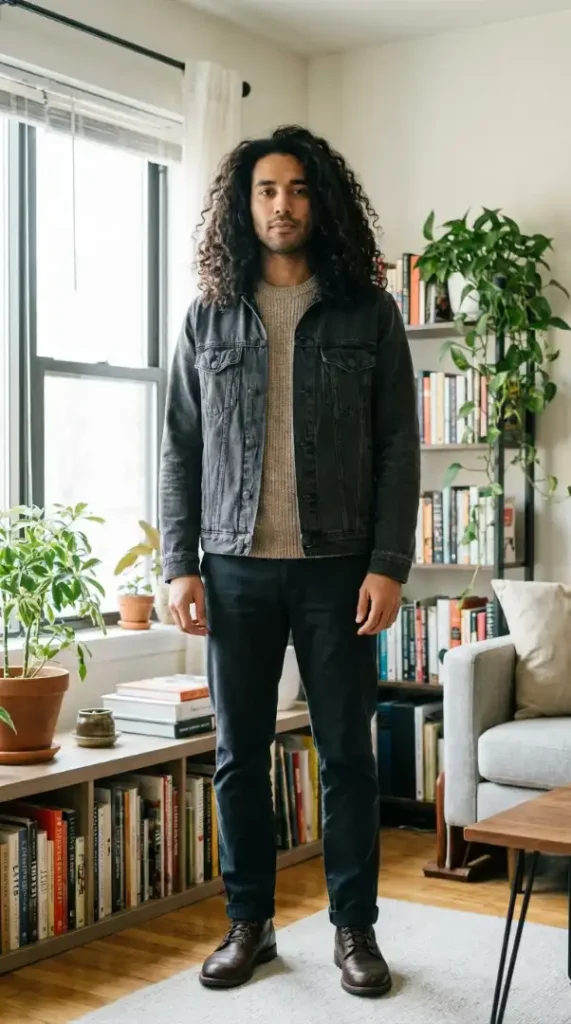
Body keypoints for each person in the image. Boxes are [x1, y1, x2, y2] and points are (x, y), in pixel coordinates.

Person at [159, 126, 420, 998]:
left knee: (345, 751)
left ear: (322, 202)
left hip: (338, 568)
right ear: (244, 204)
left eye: (299, 189)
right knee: (238, 754)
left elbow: (396, 444)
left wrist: (387, 563)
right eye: (266, 190)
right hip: (232, 568)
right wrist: (178, 563)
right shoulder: (205, 316)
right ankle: (251, 926)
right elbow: (178, 448)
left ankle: (354, 930)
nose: (282, 204)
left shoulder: (368, 313)